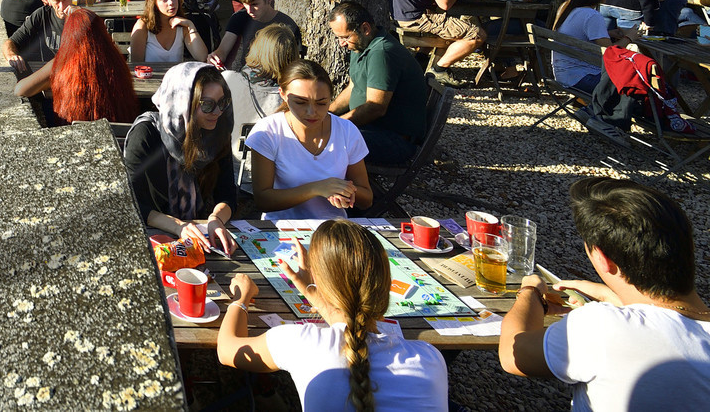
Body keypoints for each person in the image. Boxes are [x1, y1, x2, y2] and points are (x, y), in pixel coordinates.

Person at [498, 176, 710, 408]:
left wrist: (531, 291)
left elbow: (512, 353)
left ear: (602, 259)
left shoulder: (603, 326)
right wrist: (612, 297)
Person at [221, 220, 449, 411]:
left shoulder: (302, 343)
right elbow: (353, 328)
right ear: (384, 284)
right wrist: (315, 292)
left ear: (321, 281)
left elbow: (227, 350)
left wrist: (241, 299)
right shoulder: (431, 359)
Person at [122, 62, 240, 251]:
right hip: (153, 234)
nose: (218, 112)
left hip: (198, 236)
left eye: (222, 102)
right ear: (182, 103)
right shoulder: (147, 134)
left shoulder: (218, 132)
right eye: (207, 104)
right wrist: (178, 226)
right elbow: (128, 202)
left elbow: (227, 195)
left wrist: (216, 218)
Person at [244, 59, 372, 221]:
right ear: (282, 95)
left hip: (332, 230)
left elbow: (367, 199)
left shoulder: (346, 130)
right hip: (281, 229)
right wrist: (316, 188)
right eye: (301, 102)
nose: (312, 112)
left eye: (321, 103)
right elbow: (263, 200)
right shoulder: (267, 132)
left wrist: (347, 191)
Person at [327, 1, 429, 166]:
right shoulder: (360, 45)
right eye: (338, 37)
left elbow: (376, 107)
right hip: (372, 129)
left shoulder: (382, 52)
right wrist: (327, 113)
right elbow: (353, 87)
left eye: (345, 37)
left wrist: (337, 126)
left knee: (326, 145)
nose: (341, 43)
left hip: (394, 140)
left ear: (365, 29)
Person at [14, 9, 139, 123]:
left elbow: (20, 90)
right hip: (118, 136)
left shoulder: (61, 64)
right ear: (101, 31)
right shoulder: (117, 61)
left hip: (76, 134)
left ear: (69, 34)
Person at [552, 0, 642, 90]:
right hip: (583, 77)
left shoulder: (567, 8)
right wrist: (630, 37)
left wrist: (608, 33)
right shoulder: (591, 15)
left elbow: (578, 33)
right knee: (641, 82)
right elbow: (611, 53)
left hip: (564, 74)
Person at [211, 0, 301, 71]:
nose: (250, 10)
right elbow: (223, 49)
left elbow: (295, 61)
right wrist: (215, 57)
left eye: (255, 4)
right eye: (245, 4)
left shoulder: (287, 24)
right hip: (246, 74)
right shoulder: (240, 17)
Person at [4, 0, 74, 71]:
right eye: (56, 1)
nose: (61, 7)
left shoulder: (84, 18)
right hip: (49, 72)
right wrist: (11, 55)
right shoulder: (41, 15)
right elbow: (11, 42)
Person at [130, 0, 209, 63]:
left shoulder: (182, 25)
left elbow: (202, 57)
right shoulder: (142, 26)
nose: (171, 2)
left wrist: (190, 26)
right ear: (154, 3)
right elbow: (136, 64)